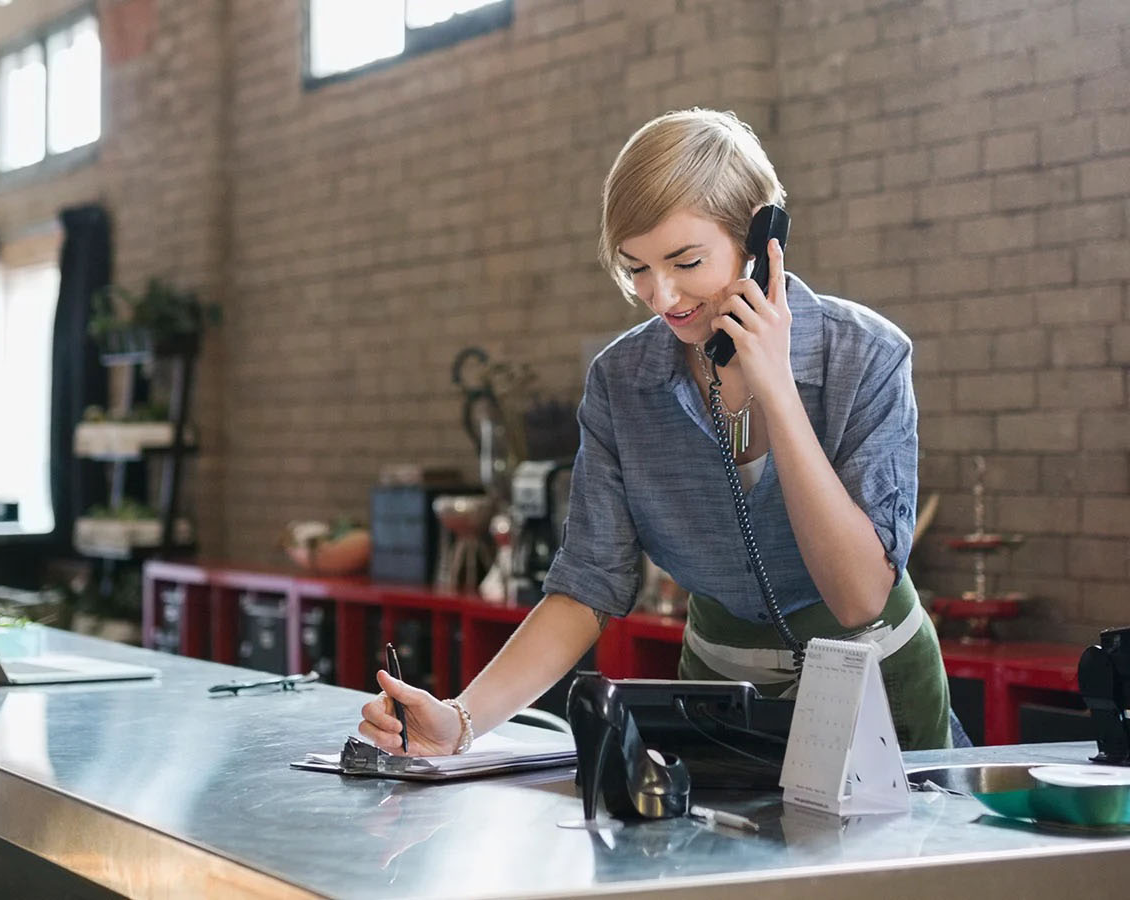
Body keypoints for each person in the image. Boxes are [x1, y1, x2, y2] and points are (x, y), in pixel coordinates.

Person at [359, 108, 952, 756]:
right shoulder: (621, 383)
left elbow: (860, 594)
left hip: (880, 695)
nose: (661, 295)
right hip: (720, 710)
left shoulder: (865, 356)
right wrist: (461, 721)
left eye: (686, 261)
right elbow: (587, 586)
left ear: (760, 238)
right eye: (636, 267)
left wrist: (776, 389)